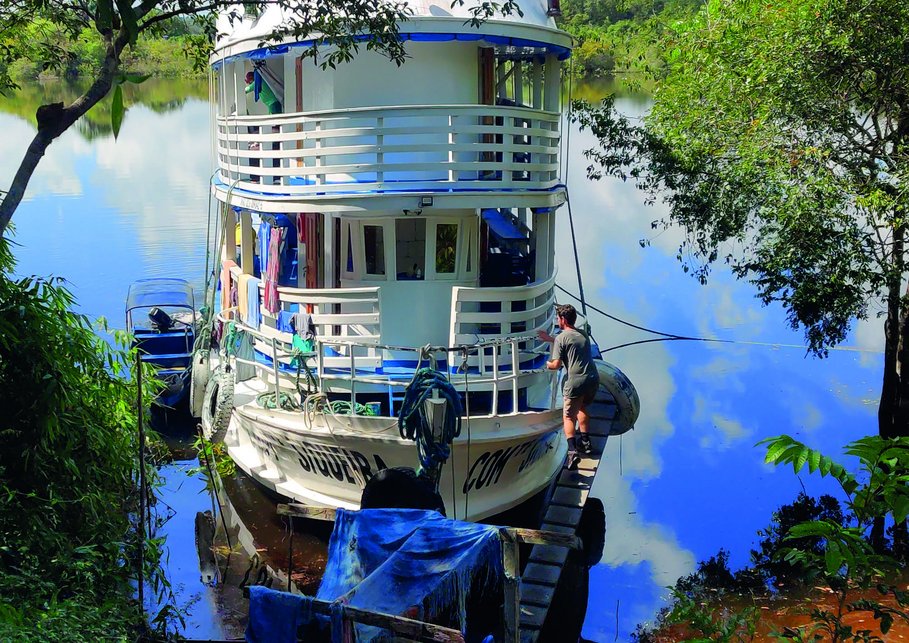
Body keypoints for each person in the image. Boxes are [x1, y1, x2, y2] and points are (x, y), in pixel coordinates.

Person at [538, 304, 599, 470]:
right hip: (592, 378)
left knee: (568, 417)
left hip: (575, 382)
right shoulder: (582, 334)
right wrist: (551, 339)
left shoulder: (561, 338)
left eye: (558, 318)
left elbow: (556, 364)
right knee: (583, 407)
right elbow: (569, 343)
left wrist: (546, 364)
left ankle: (572, 453)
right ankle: (586, 442)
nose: (557, 321)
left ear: (563, 319)